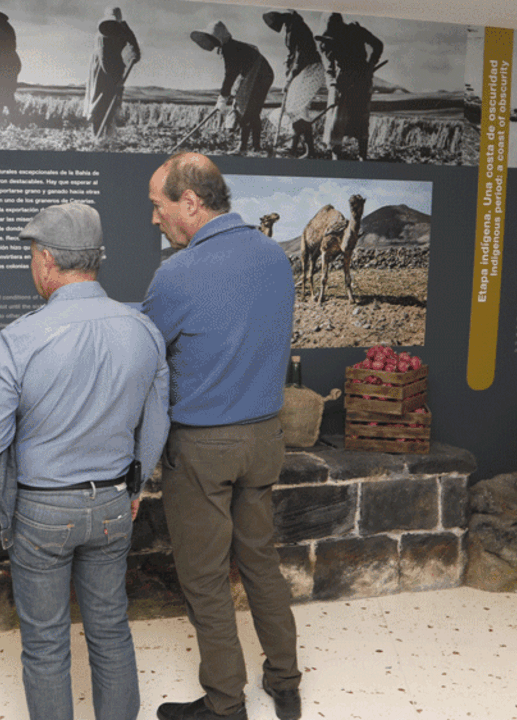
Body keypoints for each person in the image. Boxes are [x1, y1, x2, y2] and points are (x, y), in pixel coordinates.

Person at [0, 203, 170, 720]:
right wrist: (135, 489)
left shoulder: (21, 337)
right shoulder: (142, 328)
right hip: (111, 505)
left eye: (32, 255)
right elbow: (158, 426)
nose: (32, 265)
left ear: (47, 260)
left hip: (41, 510)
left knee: (45, 644)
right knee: (110, 631)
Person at [142, 152, 301, 720]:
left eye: (158, 206)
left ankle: (225, 704)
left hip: (204, 447)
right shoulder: (273, 256)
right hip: (265, 440)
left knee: (205, 578)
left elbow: (144, 351)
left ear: (190, 202)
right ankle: (285, 682)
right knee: (260, 561)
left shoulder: (178, 272)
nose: (154, 219)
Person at [189, 21, 275, 154]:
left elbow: (230, 76)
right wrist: (225, 96)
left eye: (211, 38)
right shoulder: (231, 47)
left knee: (245, 109)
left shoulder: (230, 49)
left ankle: (243, 147)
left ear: (218, 38)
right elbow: (232, 75)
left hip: (260, 75)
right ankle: (256, 147)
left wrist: (222, 98)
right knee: (252, 110)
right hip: (261, 74)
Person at [315, 12, 383, 160]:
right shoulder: (325, 42)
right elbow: (329, 68)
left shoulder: (356, 31)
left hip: (362, 78)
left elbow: (378, 45)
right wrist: (332, 84)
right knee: (336, 119)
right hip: (341, 80)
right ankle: (336, 157)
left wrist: (370, 66)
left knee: (361, 117)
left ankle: (362, 157)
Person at [263, 9, 324, 157]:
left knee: (293, 109)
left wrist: (291, 76)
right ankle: (306, 150)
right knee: (300, 111)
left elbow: (300, 56)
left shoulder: (297, 28)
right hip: (305, 69)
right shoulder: (293, 26)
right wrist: (289, 71)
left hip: (309, 69)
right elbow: (294, 55)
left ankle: (295, 147)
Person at [84, 6, 140, 142]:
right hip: (101, 71)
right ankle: (97, 135)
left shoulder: (123, 29)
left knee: (113, 99)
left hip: (116, 65)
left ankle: (108, 135)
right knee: (100, 100)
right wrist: (115, 80)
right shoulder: (101, 35)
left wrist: (134, 55)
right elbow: (104, 61)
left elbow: (133, 43)